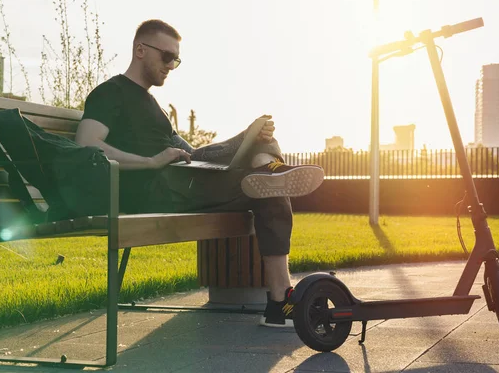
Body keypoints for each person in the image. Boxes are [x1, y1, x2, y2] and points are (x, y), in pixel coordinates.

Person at [75, 19, 324, 328]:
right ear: (140, 50)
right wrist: (151, 161)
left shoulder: (151, 103)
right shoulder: (111, 92)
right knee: (270, 185)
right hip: (157, 188)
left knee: (262, 141)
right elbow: (86, 145)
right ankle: (279, 301)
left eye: (176, 60)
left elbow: (191, 153)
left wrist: (240, 142)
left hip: (182, 176)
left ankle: (268, 166)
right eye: (167, 57)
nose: (171, 66)